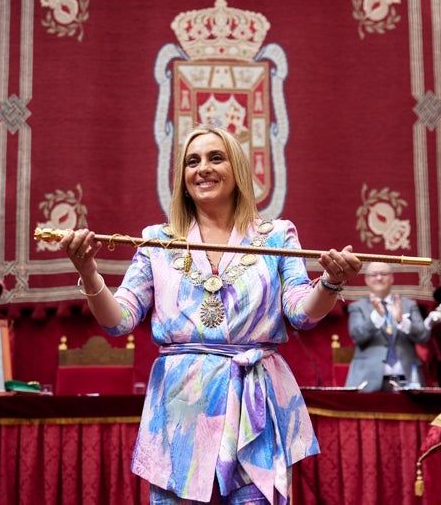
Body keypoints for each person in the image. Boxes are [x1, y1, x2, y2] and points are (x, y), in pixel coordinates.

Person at [60, 126, 362, 504]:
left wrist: (331, 282)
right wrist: (88, 272)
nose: (203, 168)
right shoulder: (156, 240)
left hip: (255, 403)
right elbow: (118, 320)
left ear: (236, 170)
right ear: (183, 180)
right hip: (182, 409)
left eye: (215, 158)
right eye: (192, 161)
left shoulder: (277, 236)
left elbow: (301, 312)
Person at [345, 261, 429, 392]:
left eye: (383, 274)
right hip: (367, 379)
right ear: (367, 280)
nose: (379, 278)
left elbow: (424, 336)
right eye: (374, 274)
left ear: (392, 278)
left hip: (407, 378)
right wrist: (376, 317)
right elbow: (357, 337)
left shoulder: (408, 305)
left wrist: (402, 321)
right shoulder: (357, 307)